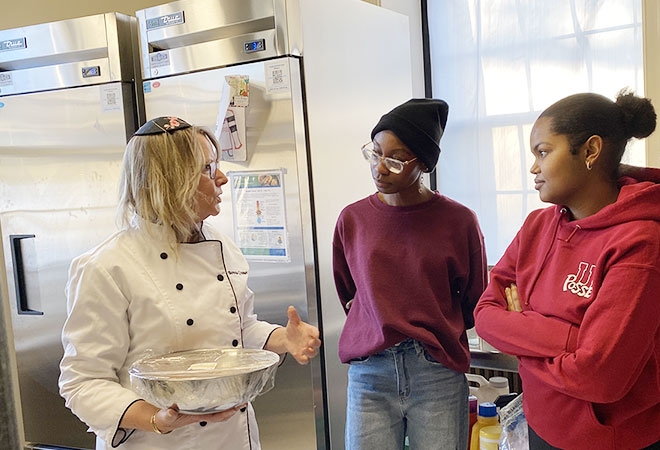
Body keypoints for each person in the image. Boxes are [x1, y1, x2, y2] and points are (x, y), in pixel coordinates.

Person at [58, 116, 321, 450]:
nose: (222, 178)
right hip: (157, 443)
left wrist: (284, 338)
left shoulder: (223, 246)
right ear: (168, 180)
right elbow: (83, 382)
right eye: (208, 169)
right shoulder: (107, 266)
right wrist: (157, 419)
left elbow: (235, 334)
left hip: (233, 438)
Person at [474, 91, 660, 450]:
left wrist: (521, 326)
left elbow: (600, 377)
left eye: (543, 152)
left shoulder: (643, 243)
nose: (533, 168)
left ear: (590, 151)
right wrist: (572, 339)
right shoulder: (536, 227)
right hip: (543, 424)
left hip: (615, 439)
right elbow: (484, 316)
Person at [333, 98, 488, 450]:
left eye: (396, 159)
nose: (380, 168)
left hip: (435, 371)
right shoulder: (352, 219)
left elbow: (475, 298)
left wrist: (430, 326)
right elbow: (348, 290)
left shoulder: (458, 221)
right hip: (370, 371)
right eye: (374, 154)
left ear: (424, 163)